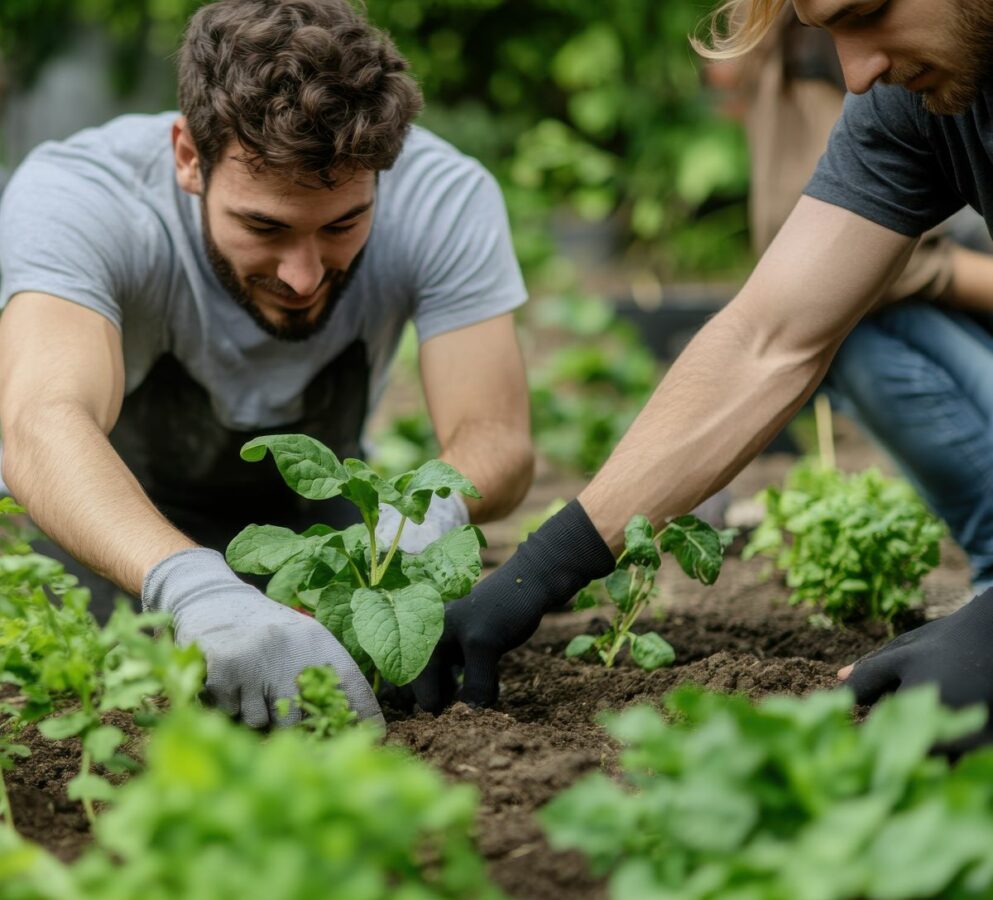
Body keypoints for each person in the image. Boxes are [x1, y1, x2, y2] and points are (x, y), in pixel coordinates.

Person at [413, 0, 993, 752]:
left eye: (870, 11)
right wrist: (539, 571)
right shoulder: (908, 105)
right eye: (827, 33)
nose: (854, 74)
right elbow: (768, 338)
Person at [0, 0, 534, 728]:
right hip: (106, 529)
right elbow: (40, 420)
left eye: (344, 224)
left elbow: (496, 436)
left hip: (316, 534)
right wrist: (195, 588)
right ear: (189, 156)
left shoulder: (443, 195)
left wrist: (428, 511)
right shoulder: (81, 196)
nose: (305, 275)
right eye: (264, 227)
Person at [711, 6, 993, 598]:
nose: (858, 74)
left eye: (866, 12)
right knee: (841, 320)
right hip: (910, 290)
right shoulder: (842, 67)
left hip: (934, 278)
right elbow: (794, 300)